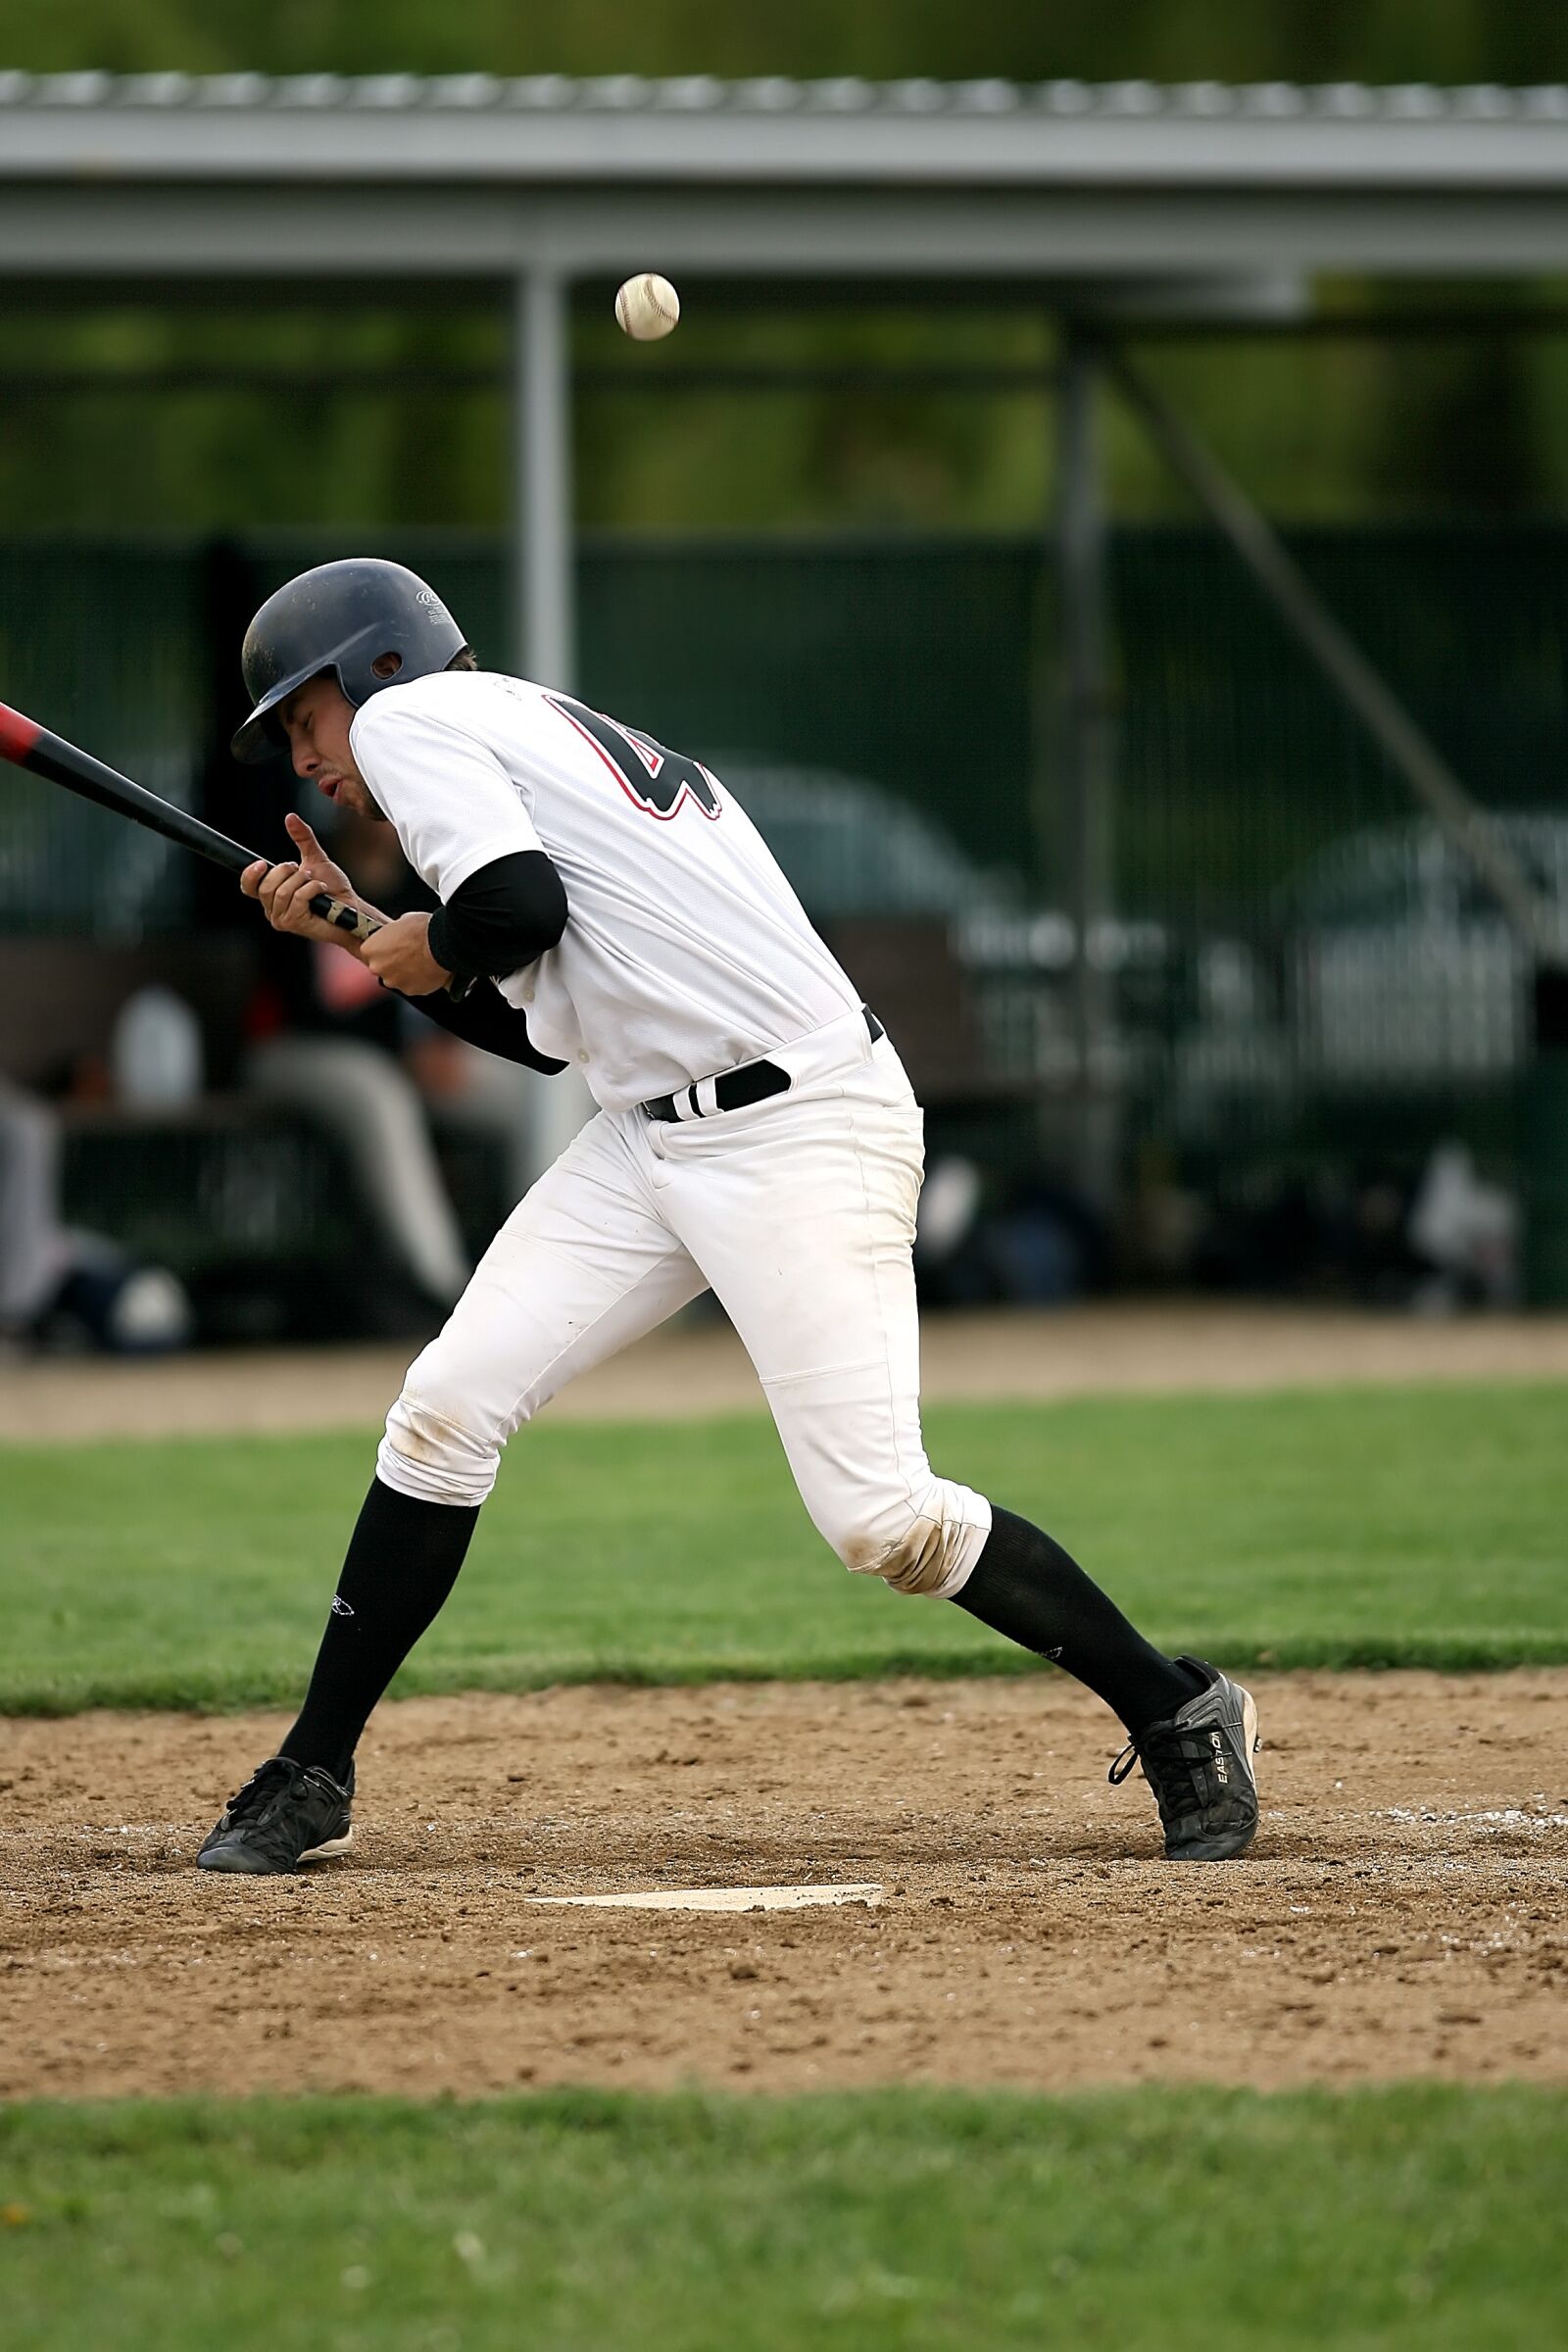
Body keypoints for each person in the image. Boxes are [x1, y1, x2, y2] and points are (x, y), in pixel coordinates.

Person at [198, 559, 1259, 1877]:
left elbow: (512, 913)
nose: (305, 762)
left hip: (801, 1126)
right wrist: (369, 931)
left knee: (881, 1520)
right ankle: (314, 1769)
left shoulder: (418, 726)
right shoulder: (517, 736)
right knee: (448, 1406)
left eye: (304, 718)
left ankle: (1176, 1708)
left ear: (379, 672)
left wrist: (426, 938)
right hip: (655, 1133)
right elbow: (532, 1021)